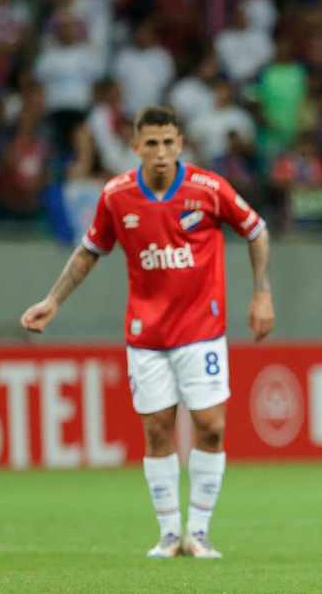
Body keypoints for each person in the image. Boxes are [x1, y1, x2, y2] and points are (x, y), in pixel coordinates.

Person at [19, 106, 275, 559]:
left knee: (211, 428)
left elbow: (256, 230)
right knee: (158, 430)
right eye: (150, 143)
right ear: (134, 146)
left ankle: (198, 531)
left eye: (168, 142)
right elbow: (88, 252)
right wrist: (52, 300)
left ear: (181, 144)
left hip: (202, 328)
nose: (160, 152)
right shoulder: (117, 195)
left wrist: (262, 294)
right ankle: (169, 534)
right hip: (147, 334)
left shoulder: (209, 189)